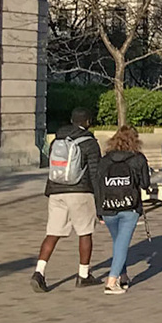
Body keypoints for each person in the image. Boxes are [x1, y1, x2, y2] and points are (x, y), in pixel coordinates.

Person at [34, 107, 101, 292]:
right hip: (80, 191)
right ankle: (83, 275)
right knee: (85, 233)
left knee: (53, 233)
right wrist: (100, 202)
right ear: (87, 121)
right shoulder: (90, 143)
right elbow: (95, 174)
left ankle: (39, 272)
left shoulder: (58, 139)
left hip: (56, 190)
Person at [93, 124, 151, 294]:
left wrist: (99, 210)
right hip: (129, 206)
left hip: (108, 207)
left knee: (119, 242)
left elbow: (98, 186)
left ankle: (123, 276)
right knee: (122, 244)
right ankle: (111, 282)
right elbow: (145, 184)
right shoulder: (138, 159)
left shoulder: (105, 160)